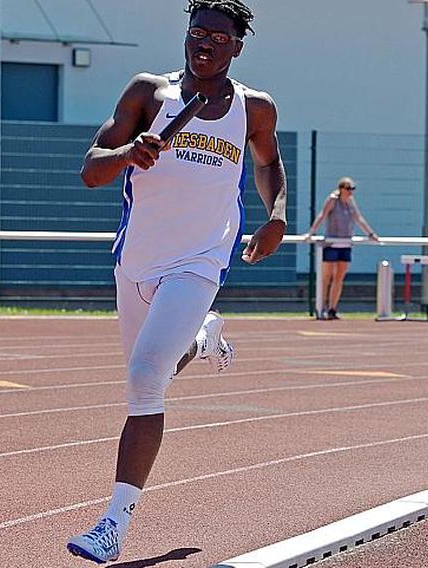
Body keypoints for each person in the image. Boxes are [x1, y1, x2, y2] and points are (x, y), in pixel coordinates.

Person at [66, 1, 287, 563]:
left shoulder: (253, 108)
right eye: (196, 33)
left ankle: (113, 523)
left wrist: (277, 214)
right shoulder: (149, 94)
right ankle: (203, 336)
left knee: (144, 381)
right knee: (150, 375)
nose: (204, 43)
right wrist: (129, 151)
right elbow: (91, 171)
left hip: (201, 259)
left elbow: (267, 164)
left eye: (217, 36)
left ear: (237, 47)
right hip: (136, 262)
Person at [303, 176, 378, 320]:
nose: (351, 192)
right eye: (348, 189)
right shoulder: (332, 200)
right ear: (341, 188)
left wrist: (371, 233)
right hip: (331, 244)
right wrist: (311, 232)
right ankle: (321, 307)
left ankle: (332, 308)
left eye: (352, 189)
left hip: (345, 244)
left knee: (339, 278)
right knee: (326, 277)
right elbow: (322, 215)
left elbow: (359, 218)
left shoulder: (350, 202)